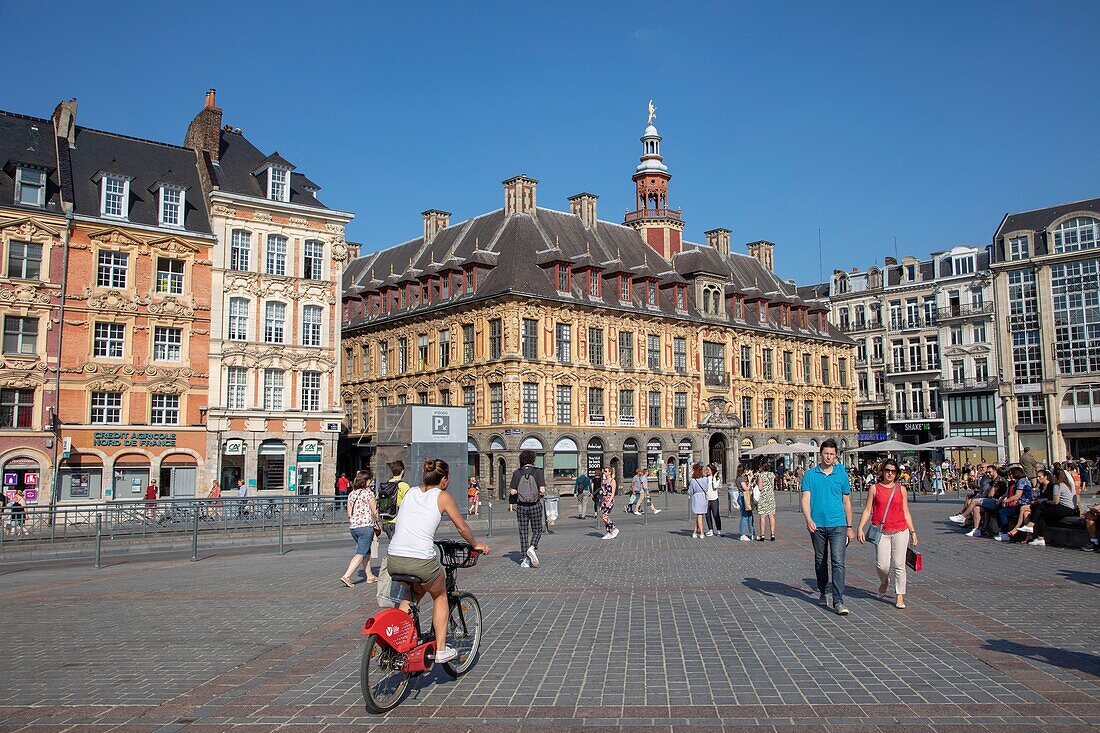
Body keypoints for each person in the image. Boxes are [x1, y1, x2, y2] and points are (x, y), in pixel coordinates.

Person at [386, 458, 490, 665]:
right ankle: (441, 650)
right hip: (420, 560)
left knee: (413, 592)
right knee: (440, 594)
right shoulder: (442, 497)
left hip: (394, 557)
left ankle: (398, 641)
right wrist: (476, 543)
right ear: (444, 479)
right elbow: (461, 527)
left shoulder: (410, 492)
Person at [856, 459, 918, 609]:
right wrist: (860, 528)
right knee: (882, 565)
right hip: (881, 531)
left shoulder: (901, 489)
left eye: (893, 471)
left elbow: (906, 512)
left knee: (899, 564)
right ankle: (884, 581)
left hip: (900, 530)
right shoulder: (874, 488)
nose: (890, 473)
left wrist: (913, 531)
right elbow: (867, 510)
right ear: (882, 471)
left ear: (897, 474)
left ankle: (900, 596)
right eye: (887, 470)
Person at [801, 439, 854, 616]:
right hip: (817, 525)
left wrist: (850, 526)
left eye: (831, 454)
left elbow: (847, 502)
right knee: (820, 560)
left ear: (835, 455)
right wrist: (808, 519)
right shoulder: (810, 474)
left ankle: (838, 600)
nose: (828, 457)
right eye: (826, 453)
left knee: (838, 561)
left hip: (838, 524)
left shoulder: (841, 475)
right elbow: (805, 499)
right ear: (820, 454)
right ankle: (823, 589)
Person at [340, 470, 380, 586]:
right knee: (361, 552)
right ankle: (347, 576)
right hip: (365, 527)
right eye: (370, 480)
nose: (371, 482)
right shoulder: (368, 494)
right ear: (366, 481)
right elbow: (374, 511)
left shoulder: (352, 494)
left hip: (353, 527)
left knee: (366, 552)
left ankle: (370, 576)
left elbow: (349, 513)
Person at [509, 450, 546, 567]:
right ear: (533, 460)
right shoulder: (538, 472)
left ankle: (525, 559)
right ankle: (532, 547)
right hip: (535, 505)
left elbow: (512, 491)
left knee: (523, 531)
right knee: (537, 529)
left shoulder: (517, 473)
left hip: (521, 506)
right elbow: (542, 490)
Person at [1027, 465, 1080, 547]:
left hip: (1063, 508)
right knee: (1042, 508)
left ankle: (1039, 536)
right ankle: (1033, 529)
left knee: (1042, 512)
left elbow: (1056, 502)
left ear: (1054, 476)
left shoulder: (1057, 485)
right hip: (1072, 509)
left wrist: (1045, 501)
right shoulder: (1068, 484)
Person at [755, 461, 777, 541]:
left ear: (762, 467)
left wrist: (757, 482)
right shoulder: (772, 475)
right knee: (771, 515)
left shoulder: (761, 475)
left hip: (763, 497)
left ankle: (762, 535)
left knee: (762, 516)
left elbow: (760, 488)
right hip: (771, 496)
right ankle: (772, 534)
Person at [597, 467, 619, 539]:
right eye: (604, 471)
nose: (604, 473)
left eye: (606, 471)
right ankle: (609, 532)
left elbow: (613, 493)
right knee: (603, 517)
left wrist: (609, 501)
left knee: (605, 516)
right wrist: (601, 493)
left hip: (609, 501)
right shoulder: (604, 481)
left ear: (610, 472)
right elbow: (603, 490)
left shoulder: (612, 481)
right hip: (603, 500)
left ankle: (614, 529)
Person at [689, 463, 709, 539]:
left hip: (697, 498)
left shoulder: (693, 481)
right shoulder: (705, 479)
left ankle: (700, 533)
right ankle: (697, 532)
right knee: (700, 516)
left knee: (699, 516)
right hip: (703, 498)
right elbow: (707, 489)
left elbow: (690, 491)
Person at [705, 463, 723, 536]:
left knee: (716, 514)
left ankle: (719, 530)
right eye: (706, 470)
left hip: (714, 498)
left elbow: (715, 486)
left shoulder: (717, 478)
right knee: (707, 515)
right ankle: (710, 529)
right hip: (706, 498)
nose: (706, 471)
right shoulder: (705, 478)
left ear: (712, 470)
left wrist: (713, 478)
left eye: (708, 470)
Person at [737, 466, 754, 541]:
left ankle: (752, 533)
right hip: (743, 496)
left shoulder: (743, 478)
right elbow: (746, 488)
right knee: (744, 515)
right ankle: (742, 534)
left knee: (750, 515)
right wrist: (749, 481)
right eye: (746, 471)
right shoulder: (740, 479)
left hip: (746, 496)